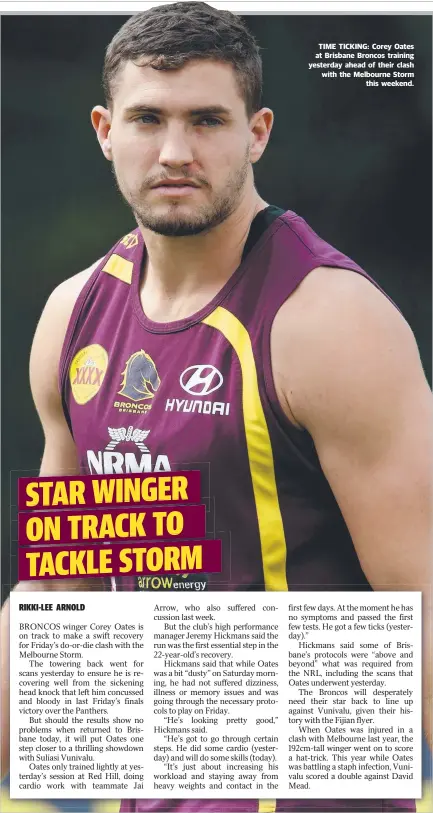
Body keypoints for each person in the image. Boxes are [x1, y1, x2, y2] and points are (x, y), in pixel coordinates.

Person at [1, 3, 431, 812]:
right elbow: (64, 588)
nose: (175, 151)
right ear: (103, 129)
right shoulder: (74, 316)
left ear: (257, 131)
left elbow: (423, 599)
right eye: (147, 119)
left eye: (206, 119)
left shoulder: (327, 321)